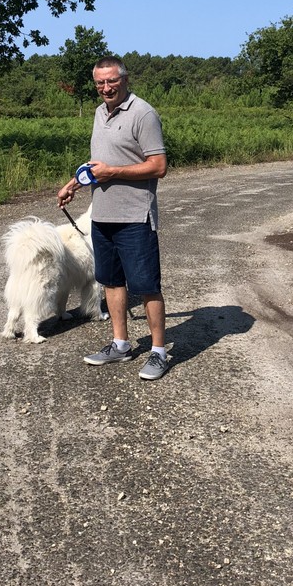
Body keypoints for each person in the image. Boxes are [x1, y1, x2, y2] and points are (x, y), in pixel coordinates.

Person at [57, 56, 169, 380]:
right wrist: (74, 184)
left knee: (146, 286)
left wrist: (113, 172)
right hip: (102, 216)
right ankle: (121, 344)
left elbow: (159, 166)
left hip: (135, 216)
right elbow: (99, 163)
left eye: (112, 81)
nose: (106, 88)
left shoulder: (143, 114)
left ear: (125, 79)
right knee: (111, 281)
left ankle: (159, 352)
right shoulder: (99, 113)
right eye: (100, 83)